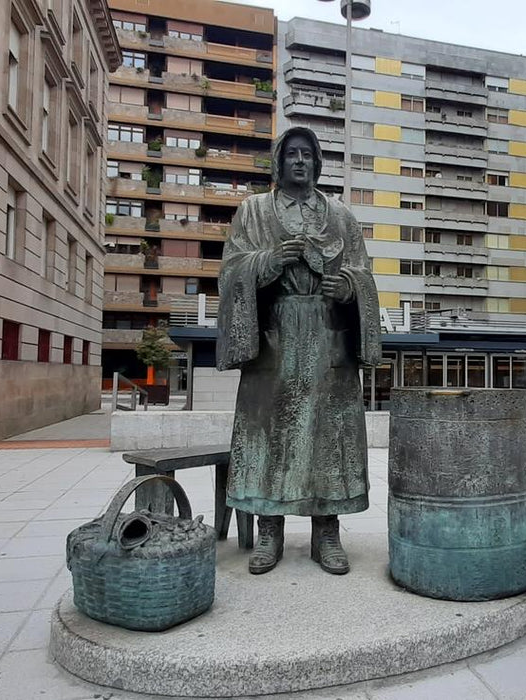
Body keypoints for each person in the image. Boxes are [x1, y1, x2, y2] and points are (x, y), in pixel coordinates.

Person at [216, 126, 381, 575]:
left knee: (330, 437)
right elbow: (230, 271)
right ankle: (269, 530)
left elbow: (365, 275)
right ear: (279, 161)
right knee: (270, 433)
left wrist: (348, 286)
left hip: (329, 341)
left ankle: (326, 532)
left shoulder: (342, 216)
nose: (300, 162)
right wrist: (267, 263)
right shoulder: (253, 212)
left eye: (308, 155)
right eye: (292, 154)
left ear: (318, 163)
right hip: (274, 340)